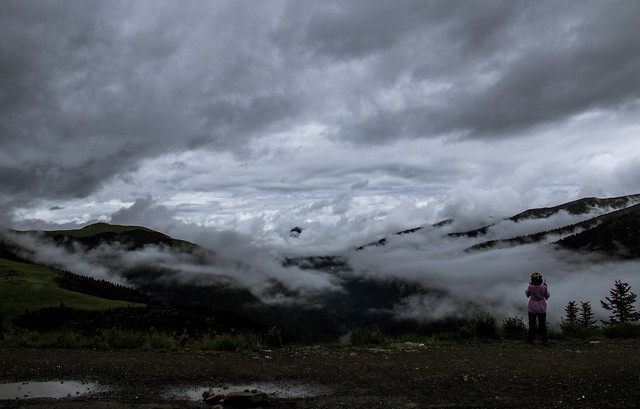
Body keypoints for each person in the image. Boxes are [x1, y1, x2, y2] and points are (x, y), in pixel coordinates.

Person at [525, 271, 550, 345]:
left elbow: (527, 294)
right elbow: (546, 296)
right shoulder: (543, 287)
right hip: (542, 307)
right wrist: (546, 289)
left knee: (532, 324)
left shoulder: (530, 287)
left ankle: (530, 339)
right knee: (542, 324)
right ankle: (544, 340)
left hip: (532, 307)